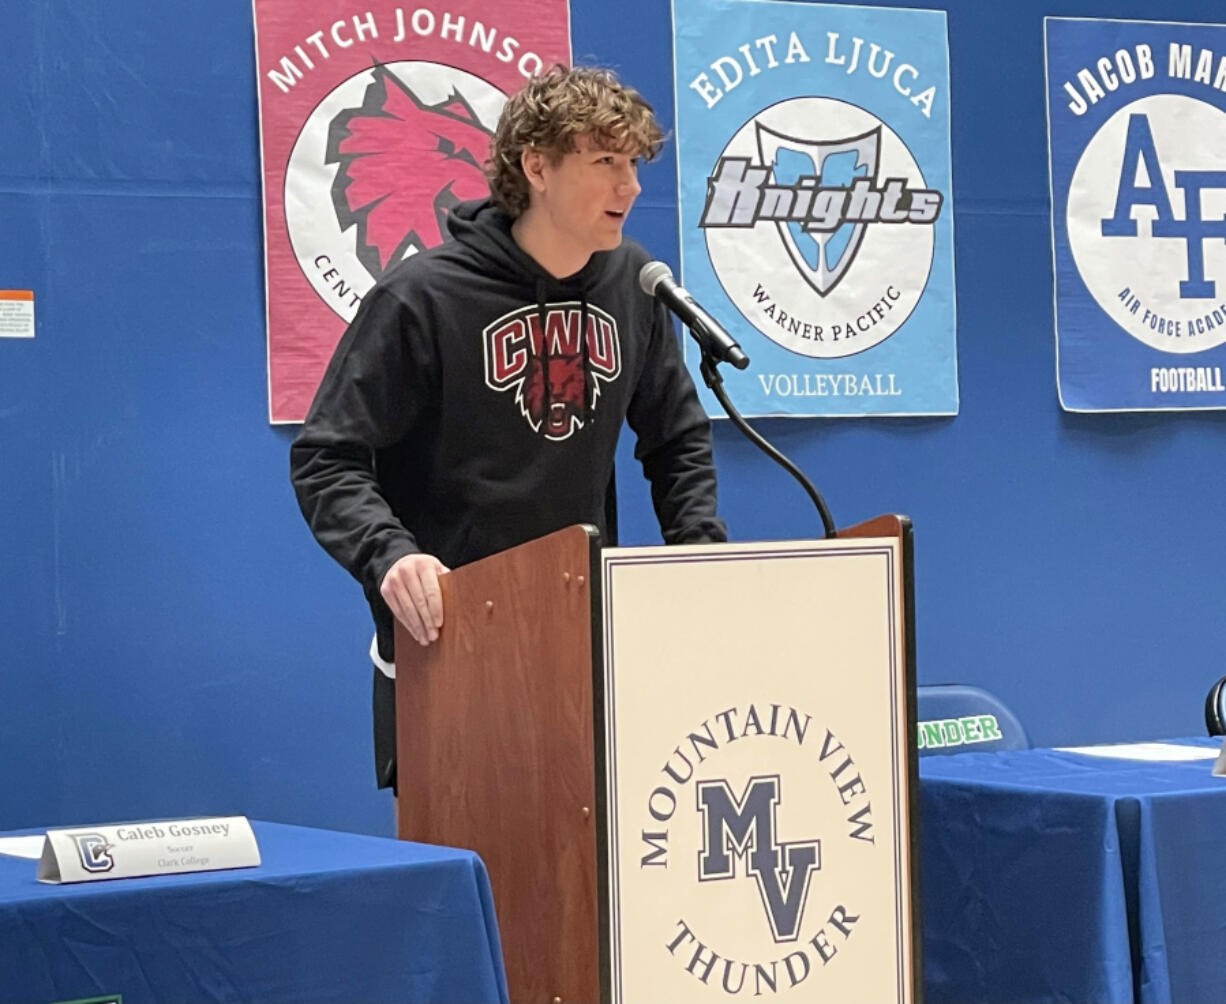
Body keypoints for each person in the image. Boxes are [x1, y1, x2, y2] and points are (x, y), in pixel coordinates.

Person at [290, 65, 727, 789]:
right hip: (451, 642)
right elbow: (328, 457)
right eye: (605, 162)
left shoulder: (635, 284)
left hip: (580, 638)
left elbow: (675, 439)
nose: (631, 187)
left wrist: (699, 556)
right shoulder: (422, 298)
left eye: (634, 164)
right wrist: (390, 556)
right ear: (537, 167)